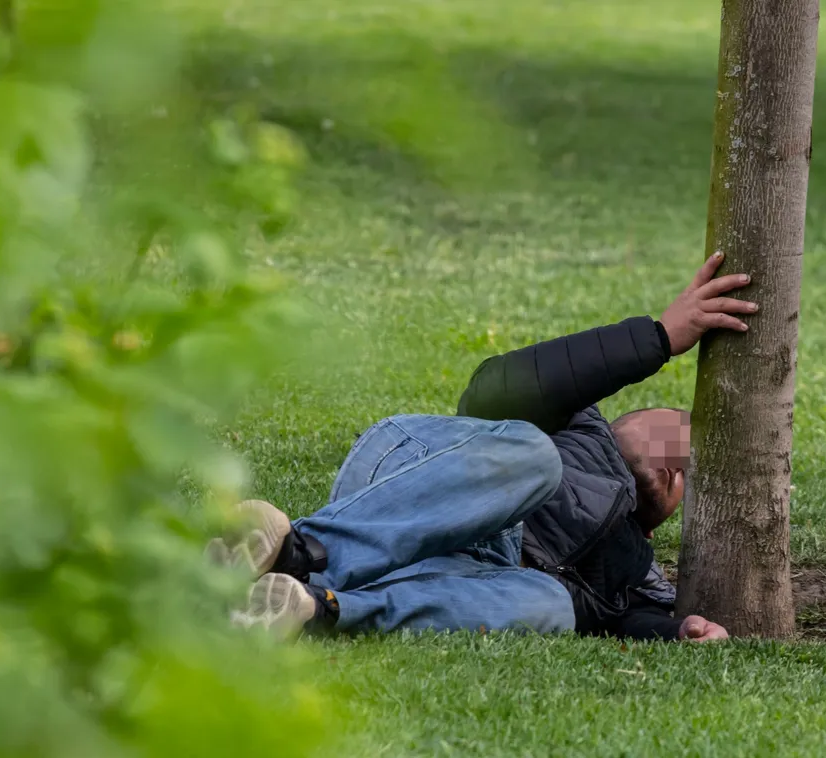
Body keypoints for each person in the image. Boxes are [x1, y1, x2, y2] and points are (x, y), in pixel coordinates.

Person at [212, 251, 756, 642]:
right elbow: (496, 389)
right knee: (533, 454)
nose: (675, 457)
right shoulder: (572, 423)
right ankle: (301, 550)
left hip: (462, 578)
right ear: (621, 422)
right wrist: (658, 337)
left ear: (660, 521)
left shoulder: (636, 575)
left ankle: (312, 608)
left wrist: (678, 629)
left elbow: (628, 622)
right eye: (673, 433)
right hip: (417, 486)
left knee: (552, 606)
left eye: (685, 470)